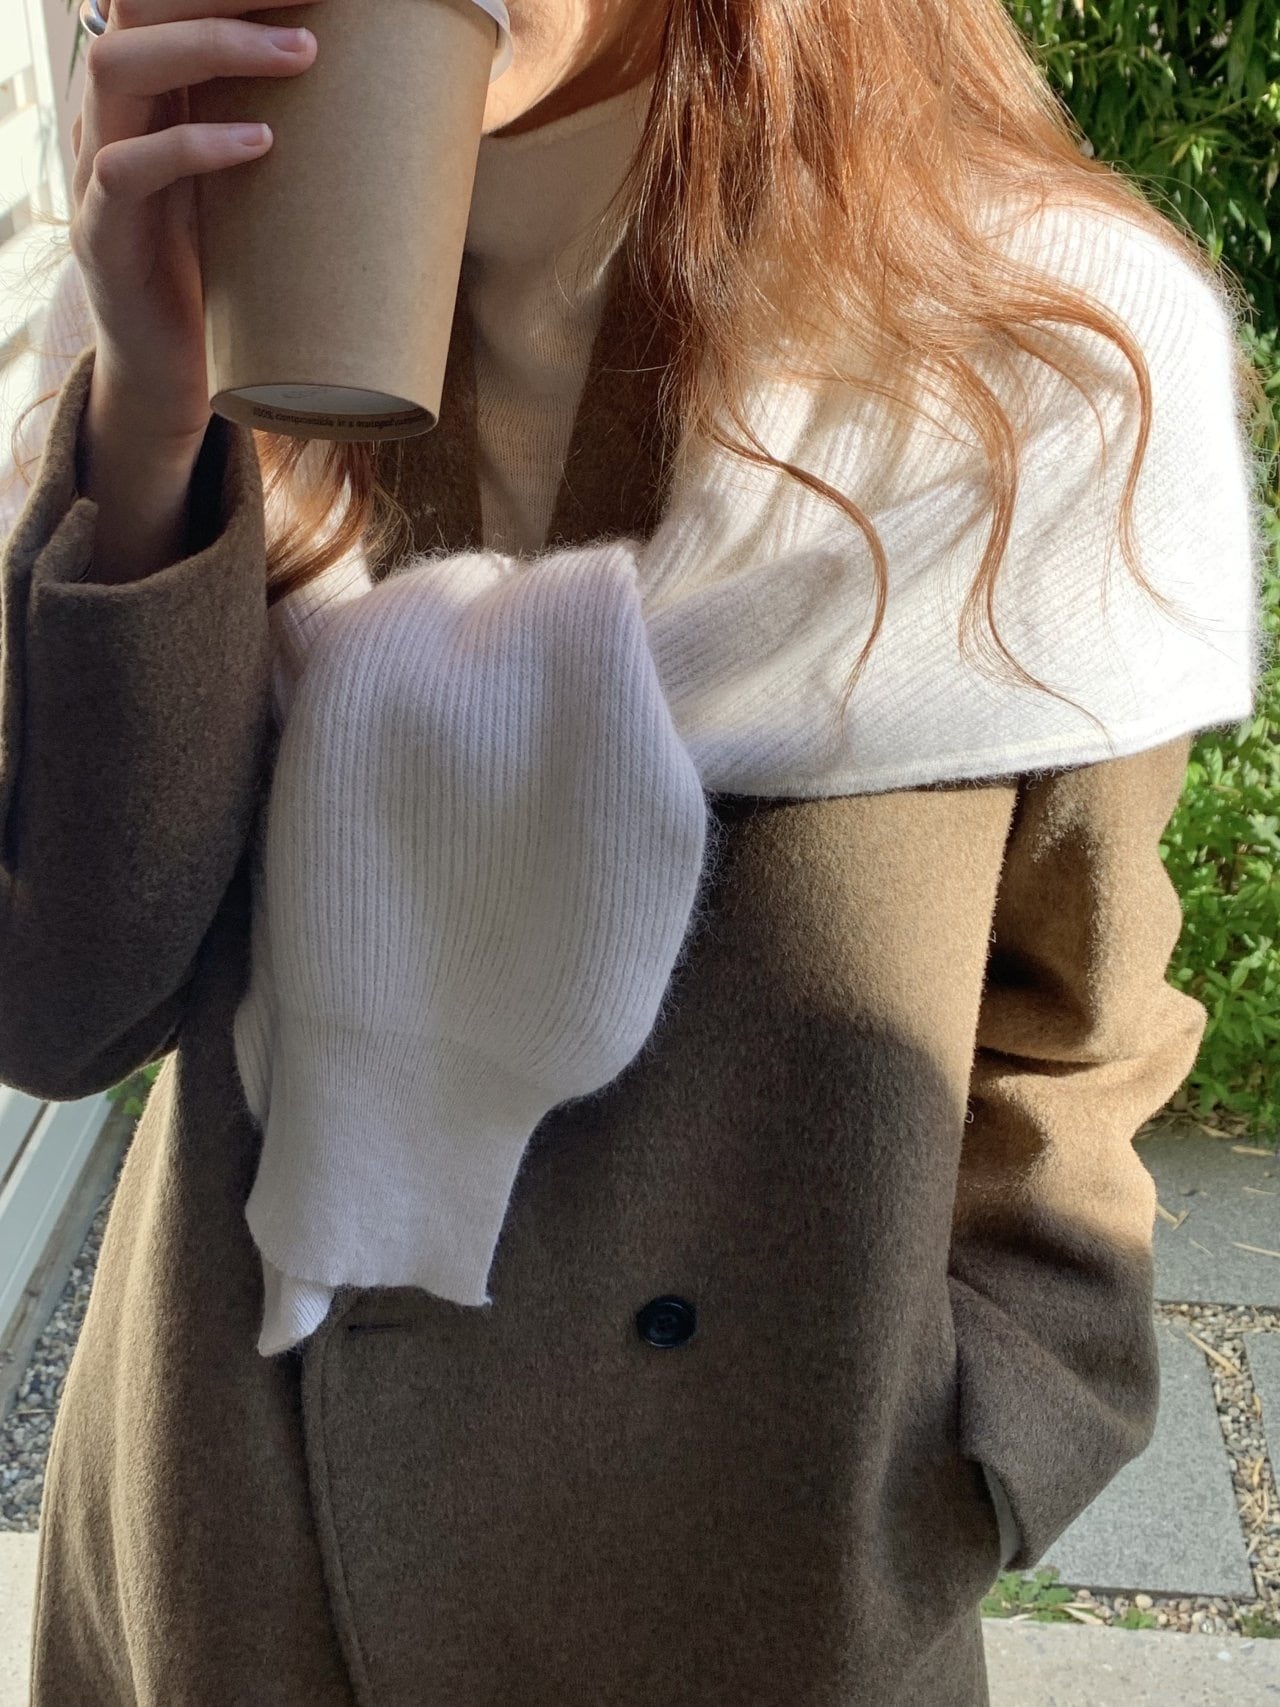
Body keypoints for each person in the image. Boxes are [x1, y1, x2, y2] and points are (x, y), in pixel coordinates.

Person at [0, 0, 1266, 1702]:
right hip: (236, 1556)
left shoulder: (1040, 351)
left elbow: (1072, 1017)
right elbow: (61, 1012)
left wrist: (986, 1436)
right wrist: (153, 426)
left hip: (762, 1573)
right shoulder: (192, 283)